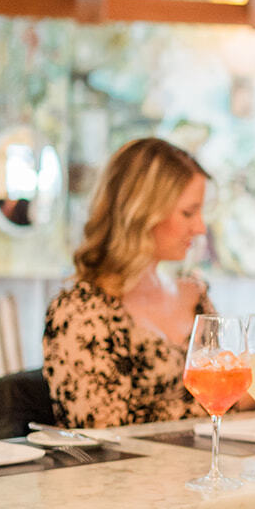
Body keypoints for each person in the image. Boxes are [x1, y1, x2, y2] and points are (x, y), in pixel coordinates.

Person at [43, 137, 215, 428]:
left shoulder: (194, 294)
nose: (200, 227)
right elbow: (102, 425)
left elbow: (231, 383)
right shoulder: (80, 311)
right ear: (142, 212)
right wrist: (220, 406)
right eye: (188, 212)